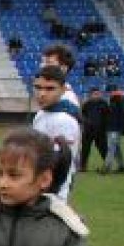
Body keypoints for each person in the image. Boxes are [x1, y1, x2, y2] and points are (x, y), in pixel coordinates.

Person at [30, 66, 81, 201]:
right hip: (36, 188)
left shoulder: (64, 120)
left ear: (63, 90)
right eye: (38, 87)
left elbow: (59, 163)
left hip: (52, 193)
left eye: (50, 88)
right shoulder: (42, 113)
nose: (42, 94)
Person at [79, 88, 110, 172]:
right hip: (88, 131)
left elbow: (107, 116)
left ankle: (107, 165)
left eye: (98, 94)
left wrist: (105, 127)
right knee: (85, 149)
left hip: (101, 131)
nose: (97, 95)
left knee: (103, 149)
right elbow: (83, 115)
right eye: (95, 94)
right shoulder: (87, 104)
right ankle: (83, 166)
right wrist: (85, 124)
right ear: (91, 95)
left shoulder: (104, 104)